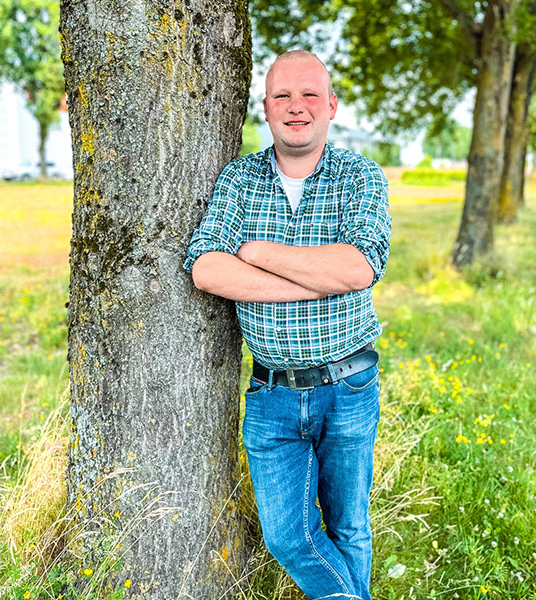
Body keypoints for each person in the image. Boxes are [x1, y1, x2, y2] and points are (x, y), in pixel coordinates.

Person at [184, 50, 391, 600]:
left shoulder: (360, 175)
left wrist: (255, 251)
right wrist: (315, 279)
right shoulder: (240, 179)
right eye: (282, 96)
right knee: (287, 537)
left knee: (349, 528)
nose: (295, 107)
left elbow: (359, 266)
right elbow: (206, 268)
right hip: (271, 394)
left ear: (330, 106)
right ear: (266, 107)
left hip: (348, 386)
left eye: (308, 95)